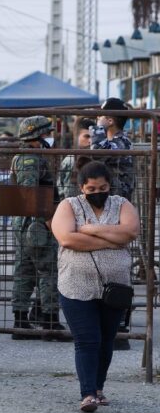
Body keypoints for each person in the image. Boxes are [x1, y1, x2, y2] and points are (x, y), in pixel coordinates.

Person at [50, 161, 139, 413]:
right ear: (82, 188)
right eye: (91, 189)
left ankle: (99, 388)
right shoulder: (68, 206)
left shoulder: (122, 204)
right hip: (76, 286)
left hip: (115, 288)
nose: (97, 192)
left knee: (106, 339)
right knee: (87, 340)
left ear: (109, 186)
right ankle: (88, 393)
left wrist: (90, 229)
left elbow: (131, 232)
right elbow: (67, 238)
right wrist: (112, 239)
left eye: (102, 188)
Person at [10, 115, 66, 339]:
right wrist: (46, 219)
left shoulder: (29, 156)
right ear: (37, 135)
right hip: (36, 223)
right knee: (48, 270)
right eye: (47, 133)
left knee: (24, 270)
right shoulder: (30, 159)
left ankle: (21, 321)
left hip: (28, 222)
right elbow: (29, 194)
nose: (50, 137)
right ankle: (50, 321)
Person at [91, 98, 134, 351]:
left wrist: (98, 128)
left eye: (102, 115)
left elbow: (97, 152)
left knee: (118, 266)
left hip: (119, 211)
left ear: (110, 119)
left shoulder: (121, 141)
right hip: (110, 209)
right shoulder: (114, 140)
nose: (98, 118)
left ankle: (120, 327)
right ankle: (108, 324)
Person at [58, 117, 96, 199]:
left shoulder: (95, 157)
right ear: (76, 136)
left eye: (93, 137)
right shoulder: (71, 160)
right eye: (87, 136)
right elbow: (69, 193)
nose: (90, 141)